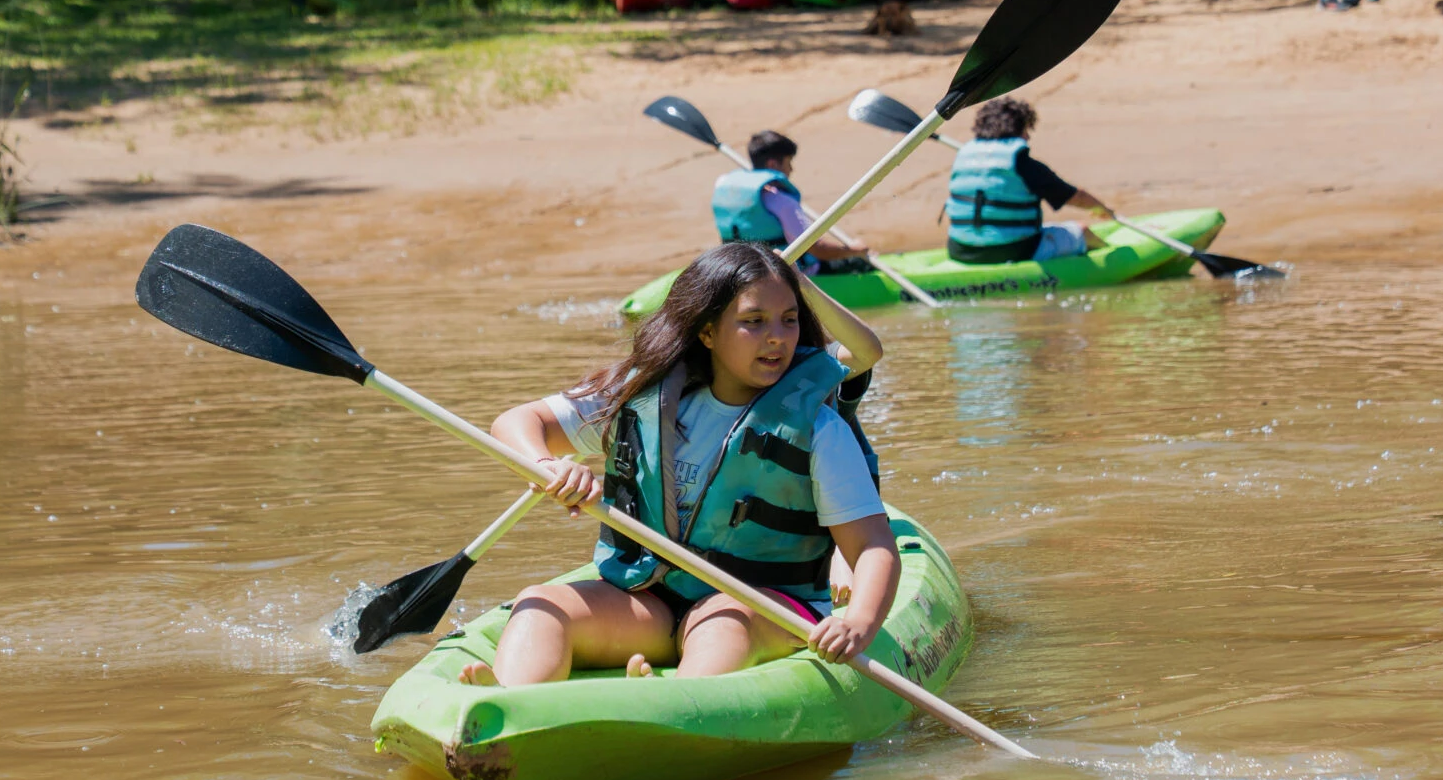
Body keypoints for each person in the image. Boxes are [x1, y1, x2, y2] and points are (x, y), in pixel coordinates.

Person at [461, 242, 896, 686]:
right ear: (707, 332)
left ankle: (668, 708)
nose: (777, 338)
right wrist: (548, 465)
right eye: (753, 322)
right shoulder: (645, 397)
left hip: (767, 606)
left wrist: (858, 622)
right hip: (653, 602)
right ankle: (509, 707)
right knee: (539, 606)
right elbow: (515, 422)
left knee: (722, 620)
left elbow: (873, 547)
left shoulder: (818, 428)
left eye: (789, 320)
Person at [942, 95, 1119, 264]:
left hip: (961, 250)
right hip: (1016, 250)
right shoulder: (1022, 163)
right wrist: (1103, 209)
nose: (1028, 137)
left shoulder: (964, 155)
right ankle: (1114, 260)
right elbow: (1074, 197)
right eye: (1027, 129)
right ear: (1019, 129)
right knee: (1082, 231)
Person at [710, 131, 871, 269]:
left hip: (740, 268)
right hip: (787, 273)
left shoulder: (727, 189)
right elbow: (818, 249)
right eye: (789, 162)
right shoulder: (782, 202)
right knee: (858, 263)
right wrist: (853, 249)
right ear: (773, 164)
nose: (791, 169)